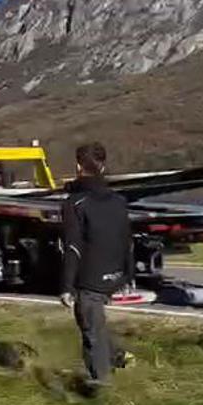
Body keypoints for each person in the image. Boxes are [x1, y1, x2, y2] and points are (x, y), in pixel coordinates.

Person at [60, 142, 135, 390]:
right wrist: (128, 275)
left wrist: (67, 286)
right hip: (116, 273)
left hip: (90, 277)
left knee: (90, 327)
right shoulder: (119, 201)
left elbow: (73, 247)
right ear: (103, 165)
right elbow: (127, 240)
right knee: (96, 322)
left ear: (79, 166)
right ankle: (117, 357)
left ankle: (102, 386)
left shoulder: (75, 203)